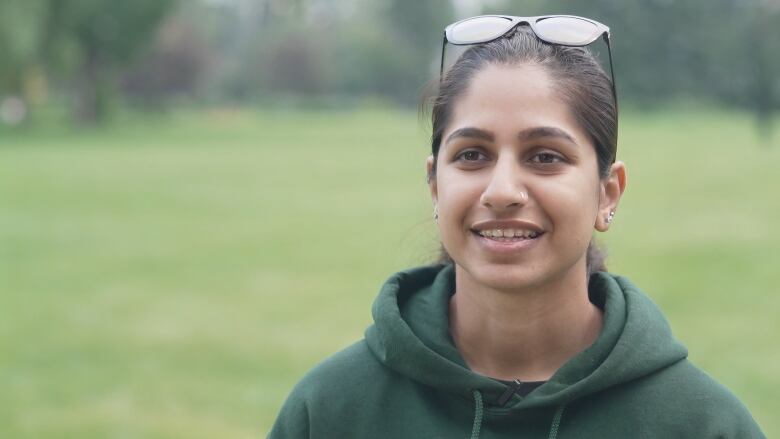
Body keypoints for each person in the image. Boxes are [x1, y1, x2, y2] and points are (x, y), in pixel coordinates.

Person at [269, 15, 765, 438]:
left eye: (545, 156)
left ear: (607, 192)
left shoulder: (702, 424)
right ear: (436, 185)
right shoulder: (330, 412)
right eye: (472, 155)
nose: (502, 190)